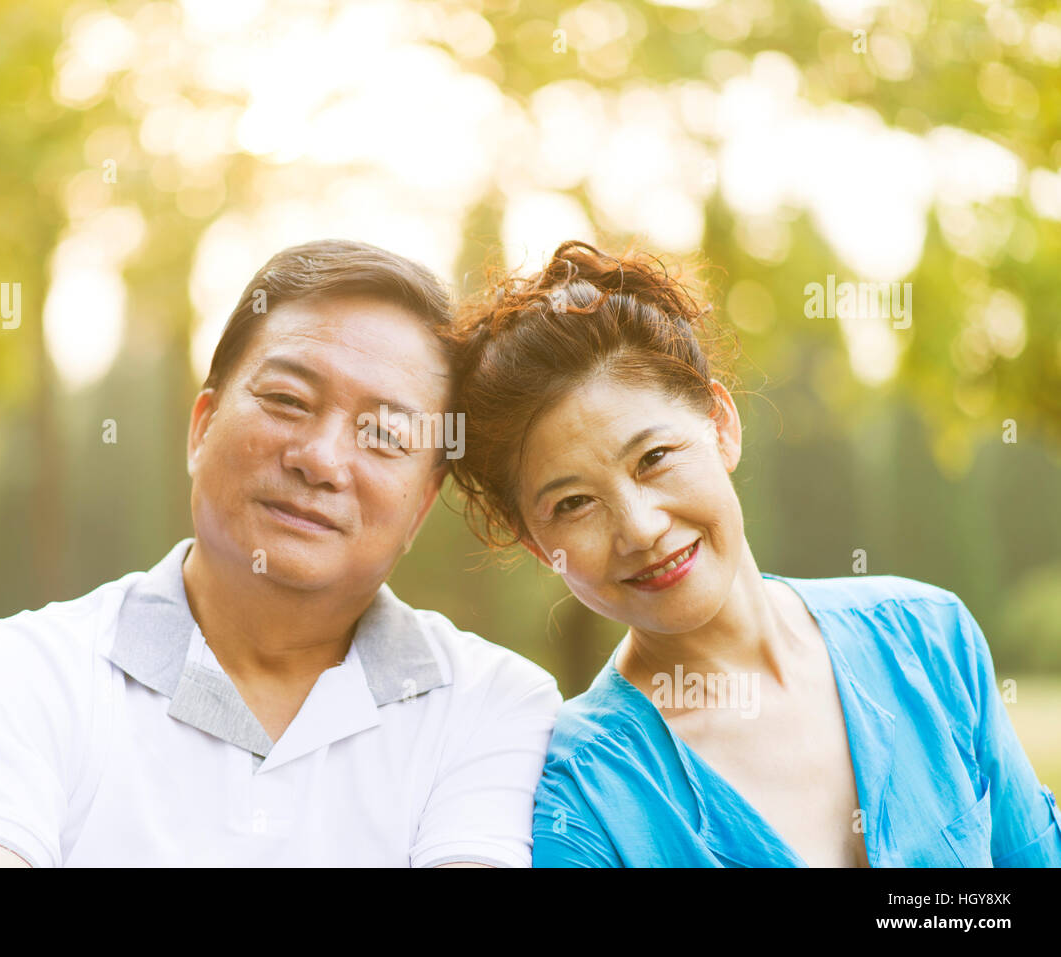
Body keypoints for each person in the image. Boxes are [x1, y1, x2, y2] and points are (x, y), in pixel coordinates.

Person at [0, 239, 562, 867]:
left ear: (421, 504)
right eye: (288, 399)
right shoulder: (26, 673)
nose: (322, 459)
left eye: (385, 434)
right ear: (202, 427)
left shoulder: (494, 708)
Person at [448, 239, 1061, 867]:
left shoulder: (928, 638)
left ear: (721, 426)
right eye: (574, 503)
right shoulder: (579, 803)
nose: (639, 529)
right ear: (533, 541)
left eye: (654, 458)